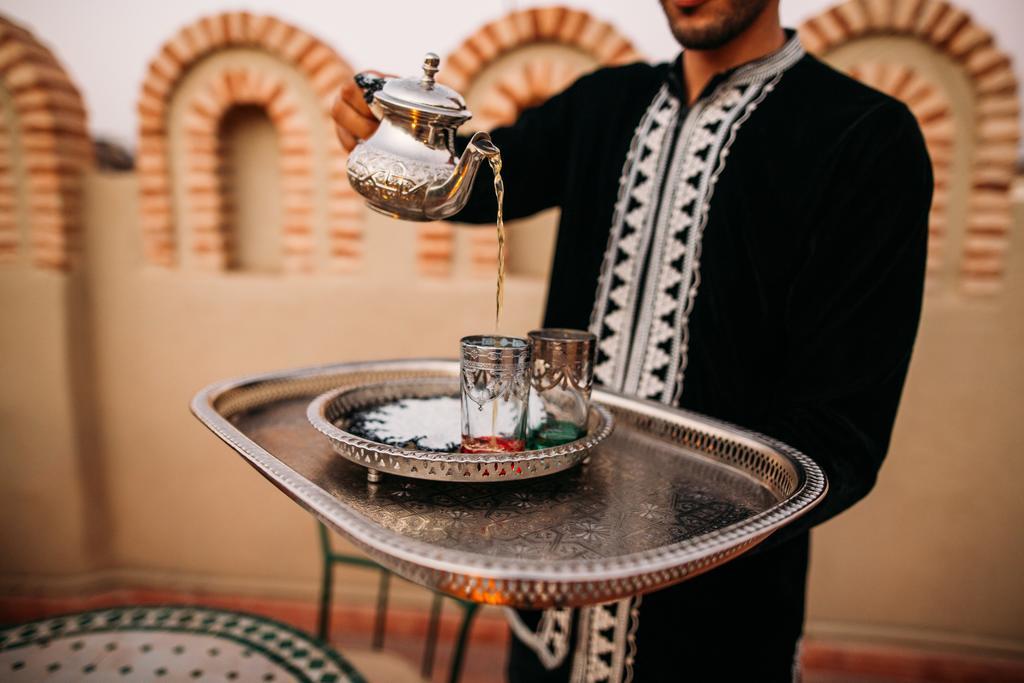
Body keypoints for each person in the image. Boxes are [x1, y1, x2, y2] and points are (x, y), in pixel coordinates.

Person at [333, 0, 933, 680]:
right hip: (549, 611)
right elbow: (470, 183)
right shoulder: (604, 106)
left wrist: (656, 528)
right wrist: (394, 131)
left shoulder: (862, 137)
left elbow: (840, 437)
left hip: (714, 635)